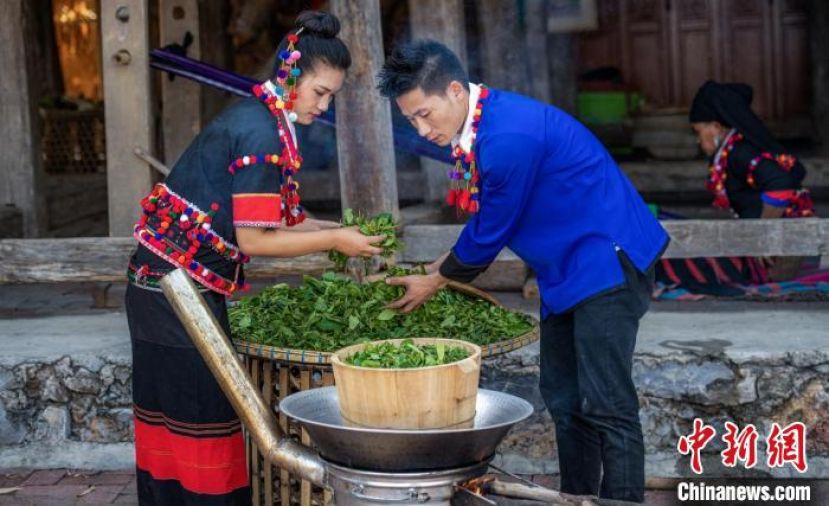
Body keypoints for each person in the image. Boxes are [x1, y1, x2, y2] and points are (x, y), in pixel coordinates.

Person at [377, 40, 668, 503]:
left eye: (424, 114)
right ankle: (578, 497)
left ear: (455, 91)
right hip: (565, 271)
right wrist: (443, 265)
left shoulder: (507, 138)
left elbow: (493, 228)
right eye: (410, 118)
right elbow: (490, 219)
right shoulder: (485, 121)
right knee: (565, 400)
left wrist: (436, 278)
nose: (420, 128)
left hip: (606, 261)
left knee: (607, 403)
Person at [125, 12, 383, 505]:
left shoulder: (266, 119)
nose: (323, 105)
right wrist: (335, 242)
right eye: (320, 93)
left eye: (331, 95)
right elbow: (255, 241)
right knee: (196, 415)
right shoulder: (262, 135)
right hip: (172, 291)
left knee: (187, 414)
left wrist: (337, 229)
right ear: (290, 77)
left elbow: (280, 221)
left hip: (176, 286)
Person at [657, 81, 816, 295]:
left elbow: (782, 183)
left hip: (775, 254)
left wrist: (764, 238)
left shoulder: (740, 153)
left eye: (698, 131)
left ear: (715, 127)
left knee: (674, 241)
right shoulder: (731, 152)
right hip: (757, 250)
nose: (697, 139)